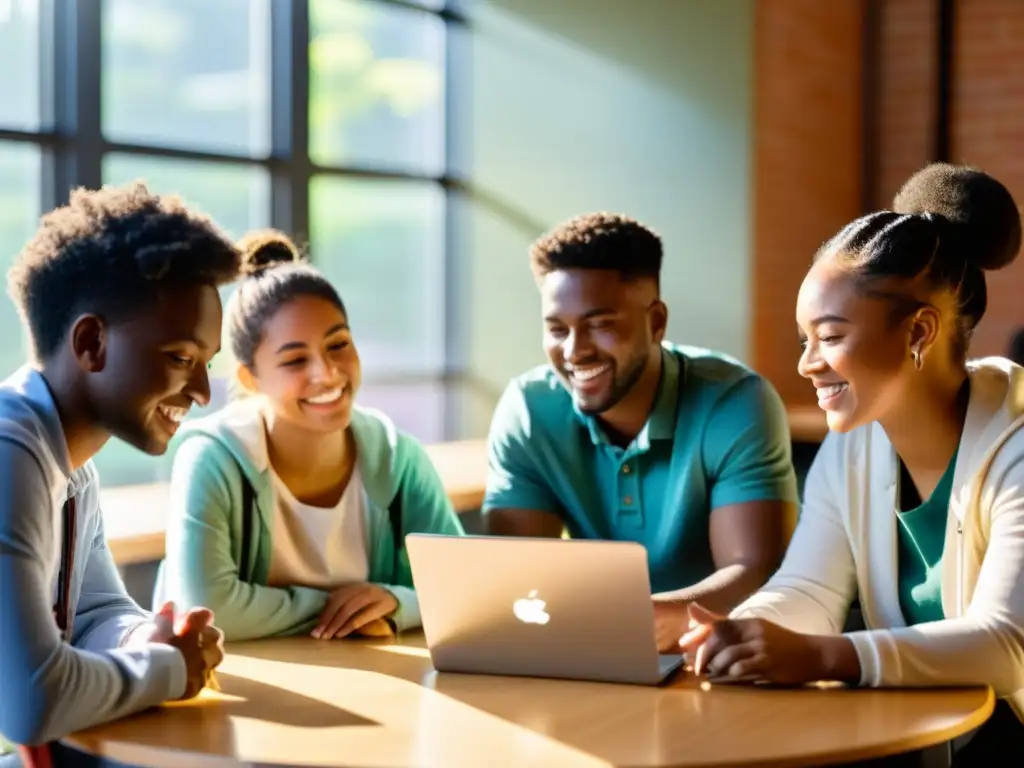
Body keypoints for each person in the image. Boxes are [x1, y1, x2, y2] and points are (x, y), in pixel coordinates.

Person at [681, 164, 1024, 764]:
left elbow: (1006, 645)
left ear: (919, 331)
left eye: (830, 336)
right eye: (803, 339)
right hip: (930, 737)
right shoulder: (853, 445)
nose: (807, 364)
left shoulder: (1016, 445)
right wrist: (746, 632)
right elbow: (810, 588)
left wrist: (822, 656)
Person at [482, 212, 800, 651]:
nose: (574, 351)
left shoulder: (735, 401)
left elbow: (755, 570)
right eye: (557, 329)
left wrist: (634, 619)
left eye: (600, 324)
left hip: (714, 653)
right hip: (590, 651)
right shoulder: (528, 411)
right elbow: (517, 577)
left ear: (656, 323)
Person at [0, 183, 233, 763]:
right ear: (91, 342)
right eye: (182, 358)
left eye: (207, 364)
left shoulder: (70, 463)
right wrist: (169, 668)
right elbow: (31, 704)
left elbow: (96, 614)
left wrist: (149, 637)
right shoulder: (9, 454)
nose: (202, 392)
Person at [155, 230, 465, 642]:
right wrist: (343, 610)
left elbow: (464, 589)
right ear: (250, 378)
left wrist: (394, 602)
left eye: (338, 345)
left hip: (367, 683)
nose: (327, 373)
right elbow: (207, 608)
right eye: (296, 359)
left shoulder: (397, 457)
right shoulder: (212, 457)